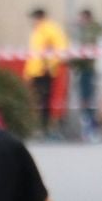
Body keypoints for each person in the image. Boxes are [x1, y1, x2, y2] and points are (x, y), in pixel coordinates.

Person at [24, 7, 67, 135]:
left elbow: (60, 49)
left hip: (44, 71)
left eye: (33, 18)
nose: (32, 21)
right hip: (35, 71)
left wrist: (49, 65)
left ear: (39, 17)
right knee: (38, 100)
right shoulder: (38, 30)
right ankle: (39, 126)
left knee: (43, 100)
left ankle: (44, 127)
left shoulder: (50, 29)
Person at [70, 8, 102, 140]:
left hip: (87, 69)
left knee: (87, 99)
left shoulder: (90, 32)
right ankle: (88, 126)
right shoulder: (82, 32)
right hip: (82, 69)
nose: (80, 21)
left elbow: (87, 48)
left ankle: (91, 127)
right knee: (84, 98)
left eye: (82, 18)